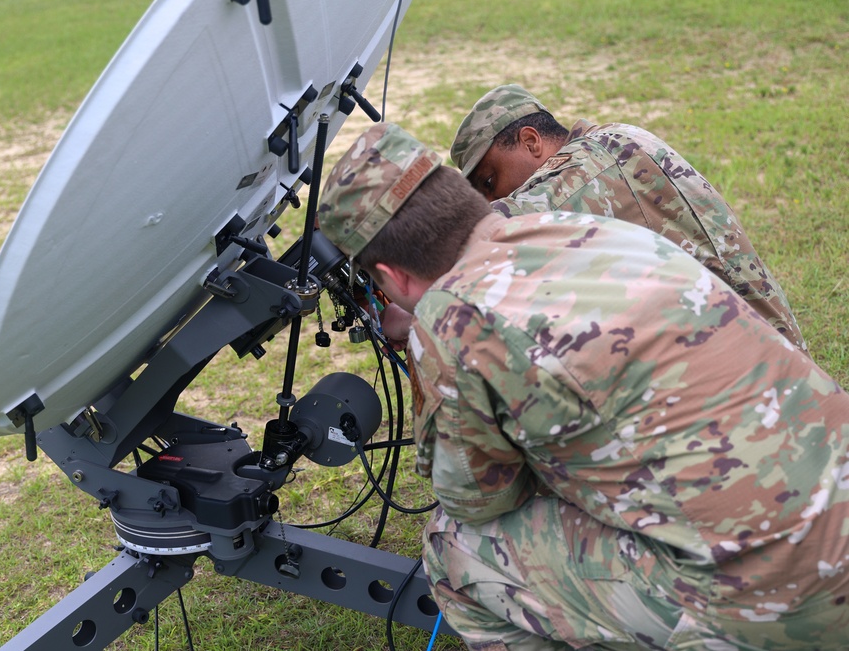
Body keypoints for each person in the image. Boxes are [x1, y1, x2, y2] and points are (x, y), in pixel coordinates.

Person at [318, 122, 849, 650]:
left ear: (393, 275)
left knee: (455, 549)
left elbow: (477, 501)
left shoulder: (451, 321)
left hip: (793, 603)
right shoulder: (592, 229)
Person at [450, 84, 807, 352]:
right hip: (733, 350)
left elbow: (501, 226)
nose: (494, 198)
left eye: (490, 181)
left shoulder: (593, 163)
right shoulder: (610, 140)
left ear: (530, 141)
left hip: (758, 371)